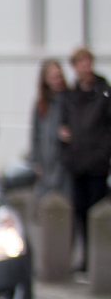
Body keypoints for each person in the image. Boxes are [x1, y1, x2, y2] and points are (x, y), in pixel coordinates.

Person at [60, 47, 111, 270]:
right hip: (77, 163)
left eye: (87, 62)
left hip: (97, 163)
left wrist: (103, 153)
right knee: (79, 212)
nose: (85, 67)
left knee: (97, 212)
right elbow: (63, 126)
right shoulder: (71, 95)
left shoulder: (103, 92)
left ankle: (99, 259)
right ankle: (86, 258)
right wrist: (66, 148)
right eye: (81, 63)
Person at [30, 59, 72, 203]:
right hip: (45, 164)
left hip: (64, 164)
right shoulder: (41, 105)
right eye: (52, 77)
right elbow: (35, 135)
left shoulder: (69, 100)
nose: (56, 81)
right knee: (45, 203)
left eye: (58, 76)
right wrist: (35, 161)